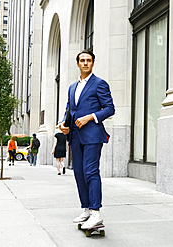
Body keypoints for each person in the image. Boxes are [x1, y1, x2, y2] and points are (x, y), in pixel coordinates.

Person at [59, 49, 115, 230]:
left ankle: (96, 213)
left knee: (91, 172)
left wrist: (90, 116)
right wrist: (62, 124)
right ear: (77, 64)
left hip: (92, 135)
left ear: (92, 63)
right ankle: (86, 209)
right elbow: (69, 110)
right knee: (79, 173)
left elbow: (109, 108)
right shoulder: (72, 88)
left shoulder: (100, 84)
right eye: (82, 60)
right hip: (75, 136)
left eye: (88, 60)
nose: (85, 63)